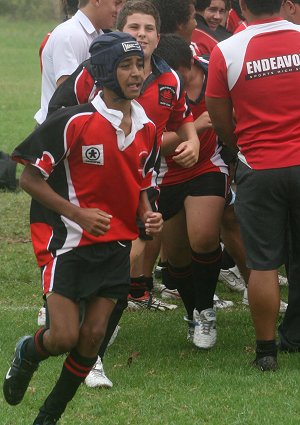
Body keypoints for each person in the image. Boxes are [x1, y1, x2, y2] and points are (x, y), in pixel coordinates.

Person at [3, 31, 163, 424]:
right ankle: (27, 353)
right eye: (125, 65)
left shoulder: (147, 128)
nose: (136, 73)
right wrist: (78, 215)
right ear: (106, 71)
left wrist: (148, 214)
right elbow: (29, 179)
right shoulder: (74, 121)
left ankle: (47, 418)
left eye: (139, 64)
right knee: (63, 337)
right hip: (68, 243)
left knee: (92, 338)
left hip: (116, 246)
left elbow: (142, 181)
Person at [46, 0, 199, 386]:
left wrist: (193, 140)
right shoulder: (91, 74)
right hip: (84, 189)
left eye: (148, 28)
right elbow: (60, 120)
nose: (141, 35)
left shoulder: (169, 79)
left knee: (123, 261)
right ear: (118, 30)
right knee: (89, 262)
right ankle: (63, 312)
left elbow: (182, 120)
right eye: (133, 27)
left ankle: (93, 353)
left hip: (137, 189)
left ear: (158, 35)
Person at [206, 0, 300, 371]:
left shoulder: (226, 50)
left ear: (241, 5)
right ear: (283, 3)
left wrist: (241, 145)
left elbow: (218, 115)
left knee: (262, 264)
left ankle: (266, 353)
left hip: (259, 167)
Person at [155, 33, 230, 348]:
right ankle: (193, 313)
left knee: (203, 237)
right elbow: (149, 142)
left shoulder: (213, 72)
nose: (174, 81)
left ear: (190, 66)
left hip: (208, 167)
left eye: (180, 75)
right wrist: (194, 129)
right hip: (167, 173)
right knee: (176, 255)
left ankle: (207, 313)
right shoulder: (152, 86)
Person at [34, 0, 118, 126]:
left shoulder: (98, 35)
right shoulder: (69, 34)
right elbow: (69, 96)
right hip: (60, 131)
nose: (121, 9)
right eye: (117, 3)